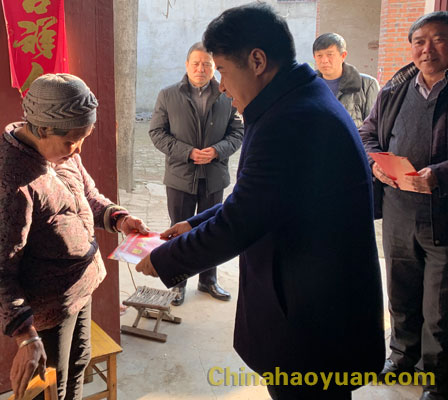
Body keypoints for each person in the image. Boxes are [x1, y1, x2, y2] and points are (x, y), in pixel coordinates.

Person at [136, 3, 384, 399]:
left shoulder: (292, 119)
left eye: (222, 70)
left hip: (312, 320)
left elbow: (242, 221)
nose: (221, 85)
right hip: (312, 304)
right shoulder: (296, 101)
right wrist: (194, 224)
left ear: (256, 61)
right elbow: (263, 197)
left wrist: (166, 259)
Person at [0, 74, 148, 400]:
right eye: (71, 141)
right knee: (52, 386)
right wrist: (26, 337)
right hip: (47, 308)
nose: (78, 149)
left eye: (83, 138)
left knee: (78, 363)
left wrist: (120, 220)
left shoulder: (60, 151)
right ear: (41, 129)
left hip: (78, 290)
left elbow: (86, 197)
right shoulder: (4, 185)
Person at [360, 11, 448, 400]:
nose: (427, 49)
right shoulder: (394, 90)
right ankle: (401, 357)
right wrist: (375, 163)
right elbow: (367, 133)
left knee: (440, 306)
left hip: (443, 215)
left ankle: (437, 378)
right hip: (399, 211)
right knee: (400, 292)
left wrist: (439, 175)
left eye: (439, 39)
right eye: (419, 41)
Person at [149, 41, 243, 306]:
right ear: (187, 65)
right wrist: (187, 152)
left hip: (214, 175)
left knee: (212, 230)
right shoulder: (168, 94)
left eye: (207, 64)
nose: (201, 69)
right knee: (179, 229)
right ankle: (178, 283)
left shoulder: (227, 94)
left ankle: (208, 280)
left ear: (214, 67)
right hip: (180, 176)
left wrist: (217, 151)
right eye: (196, 63)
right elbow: (156, 133)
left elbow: (237, 132)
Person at [312, 32, 379, 128]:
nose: (324, 60)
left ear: (343, 55)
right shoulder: (307, 87)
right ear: (314, 57)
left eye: (330, 54)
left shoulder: (367, 85)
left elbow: (374, 127)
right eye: (319, 56)